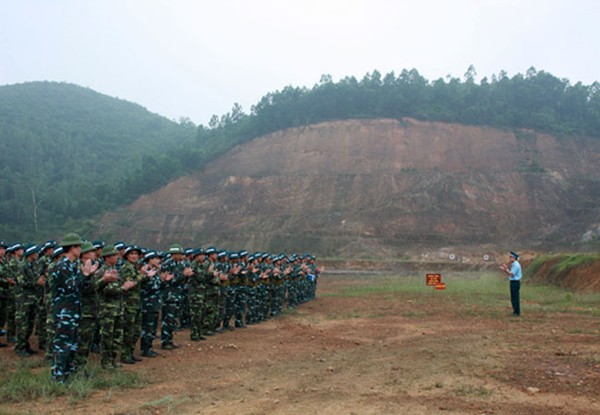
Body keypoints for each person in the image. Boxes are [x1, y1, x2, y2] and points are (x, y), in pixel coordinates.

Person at [500, 251, 522, 317]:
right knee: (513, 297)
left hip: (515, 282)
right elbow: (510, 274)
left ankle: (517, 312)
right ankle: (515, 311)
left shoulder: (516, 265)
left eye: (511, 257)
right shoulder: (514, 264)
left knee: (515, 297)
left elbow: (511, 274)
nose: (510, 259)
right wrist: (505, 270)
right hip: (513, 282)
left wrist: (506, 269)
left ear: (514, 258)